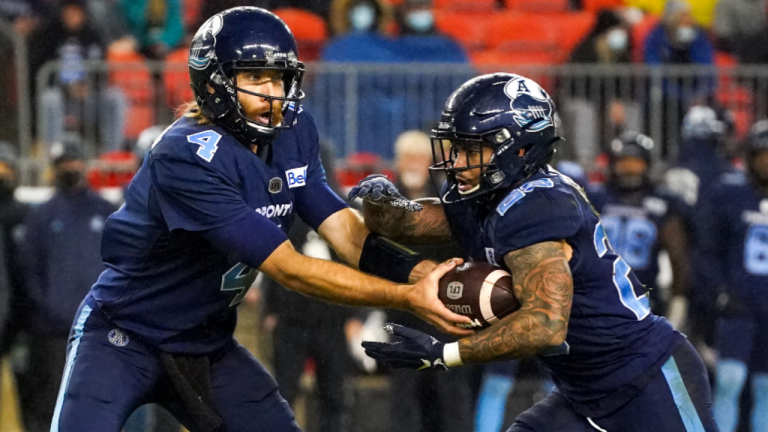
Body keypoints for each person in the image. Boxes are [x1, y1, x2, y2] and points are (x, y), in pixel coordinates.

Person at [50, 8, 470, 431]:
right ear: (214, 83)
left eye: (279, 77)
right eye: (255, 78)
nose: (273, 93)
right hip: (124, 337)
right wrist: (404, 297)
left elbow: (343, 228)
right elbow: (290, 269)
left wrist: (419, 273)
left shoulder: (294, 130)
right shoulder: (187, 154)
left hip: (206, 342)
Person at [356, 73, 719, 432]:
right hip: (582, 393)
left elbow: (546, 325)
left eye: (471, 148)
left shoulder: (537, 205)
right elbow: (405, 222)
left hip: (645, 379)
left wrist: (445, 354)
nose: (456, 161)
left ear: (518, 147)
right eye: (455, 146)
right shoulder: (483, 197)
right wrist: (375, 201)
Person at [20, 139, 116, 432]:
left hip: (98, 334)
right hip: (53, 335)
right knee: (52, 409)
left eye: (73, 161)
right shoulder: (41, 216)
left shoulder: (106, 210)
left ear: (84, 163)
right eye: (63, 163)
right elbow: (29, 272)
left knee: (98, 409)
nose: (69, 168)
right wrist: (48, 313)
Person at [702, 120, 768, 432]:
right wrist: (718, 291)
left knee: (766, 388)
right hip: (739, 305)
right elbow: (708, 247)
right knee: (729, 380)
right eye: (762, 155)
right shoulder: (729, 192)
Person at [587, 131, 689, 327]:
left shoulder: (663, 202)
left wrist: (678, 299)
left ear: (648, 165)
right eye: (624, 162)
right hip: (595, 294)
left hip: (642, 298)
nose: (630, 169)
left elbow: (678, 256)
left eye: (636, 163)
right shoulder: (595, 197)